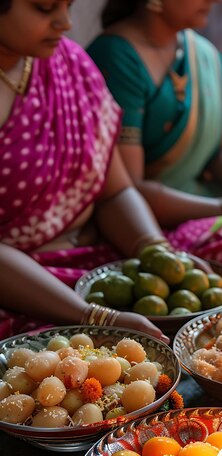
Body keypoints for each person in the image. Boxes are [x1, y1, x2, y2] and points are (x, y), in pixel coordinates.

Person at [86, 0, 222, 267]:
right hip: (144, 225)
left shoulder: (204, 54)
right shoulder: (115, 55)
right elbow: (128, 189)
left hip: (204, 199)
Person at [0, 0, 175, 341]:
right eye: (45, 8)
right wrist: (96, 317)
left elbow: (116, 191)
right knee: (59, 360)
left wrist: (159, 255)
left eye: (68, 5)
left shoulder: (71, 63)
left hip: (96, 260)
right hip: (18, 284)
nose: (65, 22)